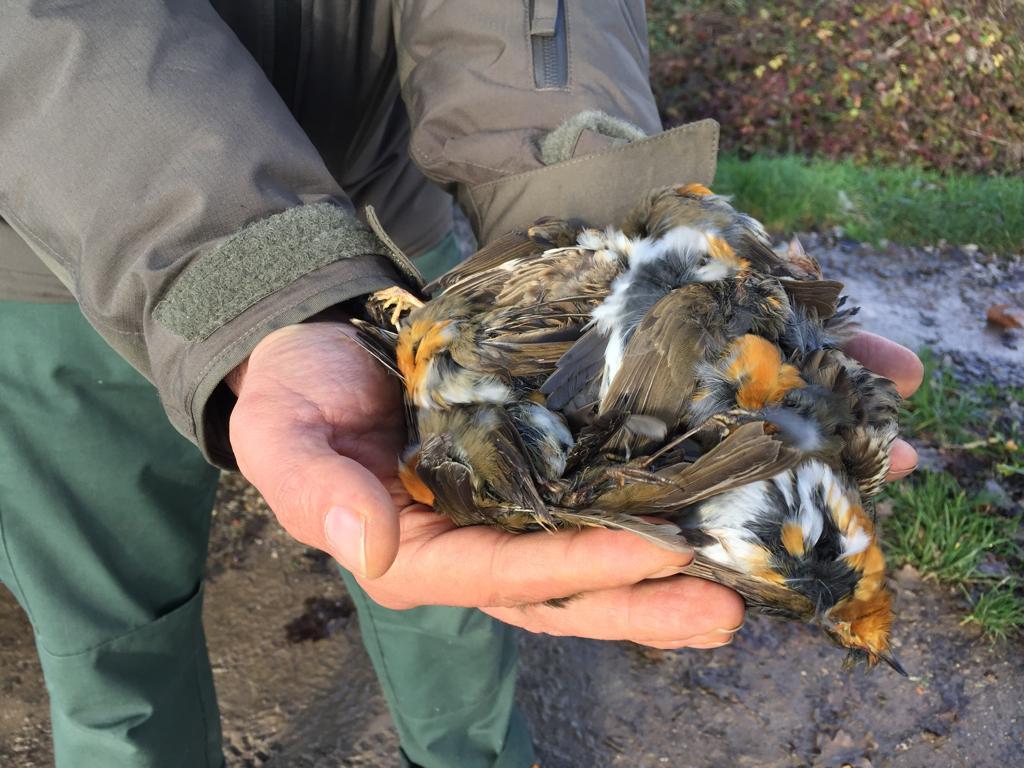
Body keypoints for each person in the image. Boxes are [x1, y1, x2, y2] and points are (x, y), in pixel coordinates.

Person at [0, 2, 923, 766]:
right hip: (56, 265)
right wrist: (244, 272)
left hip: (404, 210)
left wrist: (574, 189)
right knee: (112, 621)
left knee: (460, 553)